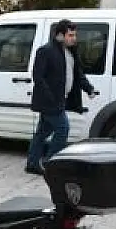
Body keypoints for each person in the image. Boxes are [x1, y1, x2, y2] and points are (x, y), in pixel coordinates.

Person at [26, 19, 97, 174]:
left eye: (74, 35)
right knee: (63, 128)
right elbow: (38, 77)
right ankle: (51, 163)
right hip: (50, 102)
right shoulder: (46, 51)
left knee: (42, 133)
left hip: (60, 100)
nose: (74, 38)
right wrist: (50, 97)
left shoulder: (70, 53)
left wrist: (89, 89)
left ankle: (32, 163)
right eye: (70, 35)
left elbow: (78, 75)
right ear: (59, 35)